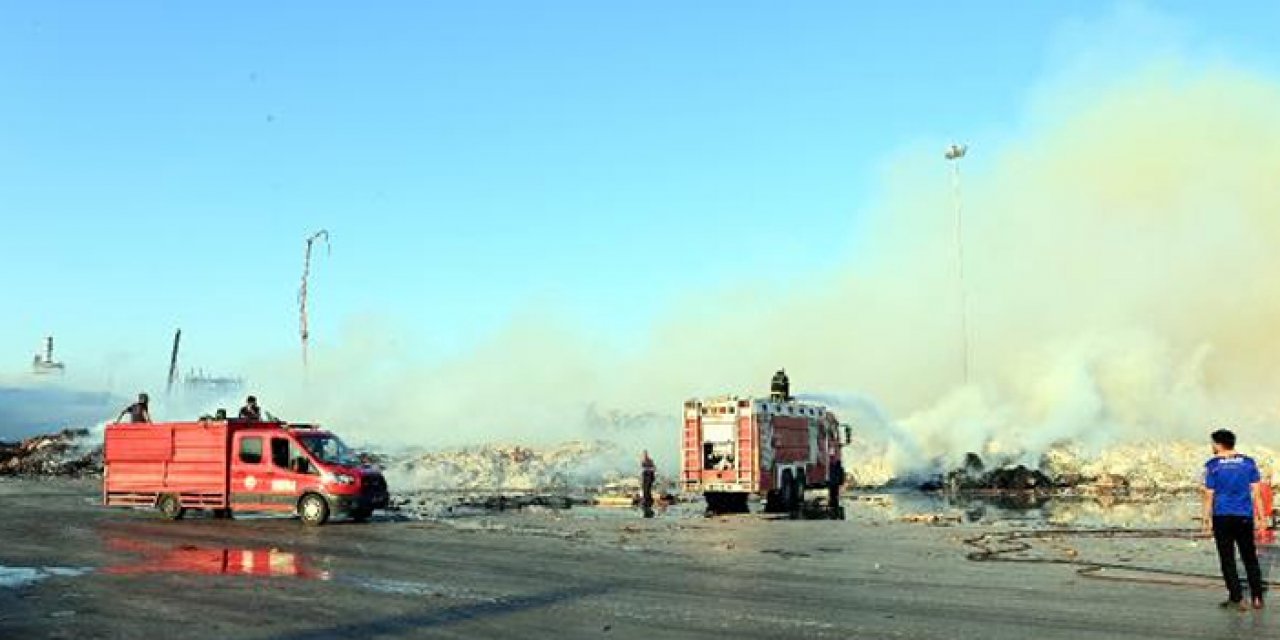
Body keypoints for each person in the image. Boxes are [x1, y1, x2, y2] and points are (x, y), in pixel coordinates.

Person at [1203, 428, 1266, 610]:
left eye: (1213, 443)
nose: (1212, 446)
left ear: (1218, 444)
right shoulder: (1248, 463)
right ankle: (1257, 597)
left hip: (1222, 516)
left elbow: (1208, 495)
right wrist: (1261, 518)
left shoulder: (1212, 465)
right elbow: (1257, 493)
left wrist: (1205, 519)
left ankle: (1237, 598)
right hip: (1244, 516)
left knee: (1227, 558)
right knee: (1249, 557)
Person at [641, 451, 656, 518]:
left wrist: (650, 470)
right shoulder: (643, 461)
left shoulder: (650, 461)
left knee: (647, 489)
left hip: (649, 475)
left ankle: (648, 501)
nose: (644, 456)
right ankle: (646, 500)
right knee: (645, 489)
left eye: (645, 454)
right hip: (646, 475)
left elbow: (653, 468)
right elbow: (643, 468)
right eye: (643, 455)